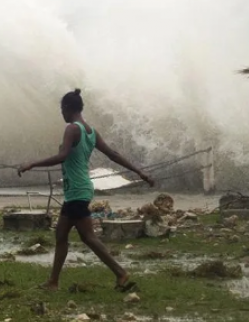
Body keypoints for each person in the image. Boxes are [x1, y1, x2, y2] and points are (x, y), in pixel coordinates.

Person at [18, 89, 154, 292]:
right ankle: (53, 282)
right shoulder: (91, 131)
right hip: (80, 189)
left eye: (61, 110)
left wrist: (31, 164)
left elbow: (63, 155)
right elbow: (113, 154)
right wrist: (140, 172)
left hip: (77, 190)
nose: (61, 114)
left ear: (67, 108)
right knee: (62, 234)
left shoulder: (72, 129)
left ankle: (120, 273)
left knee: (87, 236)